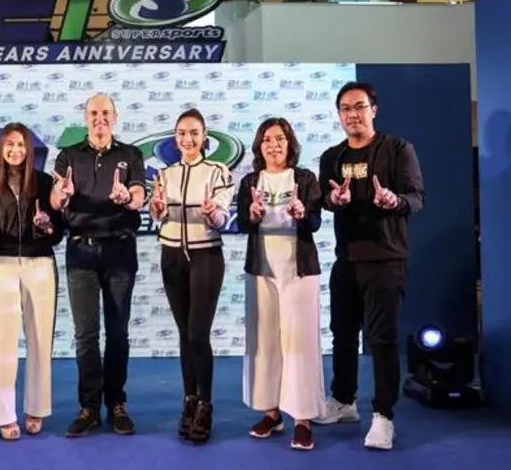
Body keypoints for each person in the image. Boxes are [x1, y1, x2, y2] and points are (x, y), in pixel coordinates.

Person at [313, 81, 425, 450]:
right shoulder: (332, 157)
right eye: (345, 108)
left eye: (359, 106)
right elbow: (325, 200)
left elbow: (417, 197)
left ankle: (383, 415)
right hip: (347, 259)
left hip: (387, 258)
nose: (353, 114)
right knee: (342, 334)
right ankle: (344, 401)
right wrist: (334, 199)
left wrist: (394, 200)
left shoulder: (398, 149)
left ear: (373, 110)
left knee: (381, 338)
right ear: (339, 115)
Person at [50, 93, 146, 437]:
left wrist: (128, 197)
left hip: (120, 251)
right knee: (85, 335)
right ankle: (89, 407)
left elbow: (139, 194)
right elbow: (55, 198)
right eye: (94, 112)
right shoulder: (68, 155)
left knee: (118, 332)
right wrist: (61, 195)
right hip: (81, 252)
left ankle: (116, 403)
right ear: (85, 117)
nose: (99, 118)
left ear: (115, 117)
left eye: (106, 112)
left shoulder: (130, 154)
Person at [236, 118, 325, 451]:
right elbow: (243, 223)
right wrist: (253, 214)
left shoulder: (305, 178)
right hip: (262, 270)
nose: (273, 145)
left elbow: (314, 222)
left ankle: (302, 419)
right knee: (266, 341)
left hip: (299, 270)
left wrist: (302, 213)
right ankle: (271, 413)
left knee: (299, 342)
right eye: (267, 139)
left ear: (290, 144)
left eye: (280, 139)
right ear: (259, 147)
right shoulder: (250, 181)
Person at [148, 108, 234, 444]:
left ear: (204, 137)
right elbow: (158, 214)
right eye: (182, 133)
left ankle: (206, 404)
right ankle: (189, 400)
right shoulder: (165, 174)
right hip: (171, 256)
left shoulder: (217, 171)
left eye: (194, 133)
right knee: (185, 334)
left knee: (198, 334)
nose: (188, 139)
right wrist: (156, 210)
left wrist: (213, 214)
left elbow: (223, 217)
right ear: (175, 138)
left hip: (206, 256)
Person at [0, 122, 64, 440]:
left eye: (21, 145)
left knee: (40, 339)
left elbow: (57, 232)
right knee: (2, 342)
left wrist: (46, 226)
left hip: (40, 264)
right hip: (1, 266)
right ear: (1, 149)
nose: (15, 150)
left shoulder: (44, 183)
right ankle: (3, 414)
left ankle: (36, 408)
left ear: (29, 150)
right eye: (10, 144)